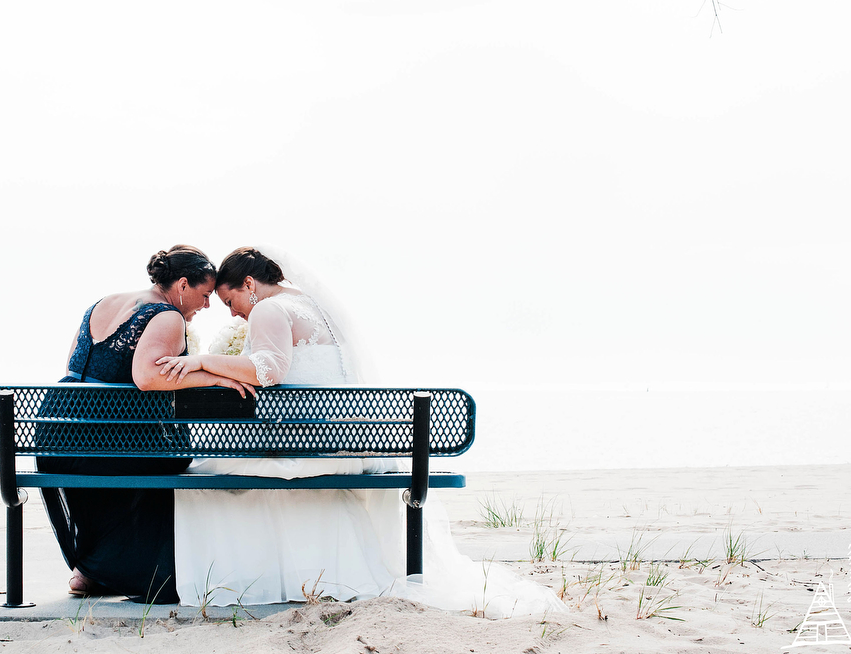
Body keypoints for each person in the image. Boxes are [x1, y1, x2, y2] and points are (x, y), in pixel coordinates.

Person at [157, 247, 564, 616]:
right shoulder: (311, 305)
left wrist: (202, 362)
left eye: (230, 301)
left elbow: (271, 369)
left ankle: (231, 582)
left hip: (305, 446)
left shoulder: (268, 309)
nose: (232, 313)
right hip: (341, 443)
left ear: (249, 284)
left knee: (201, 473)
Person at [38, 244, 253, 605]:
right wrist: (212, 378)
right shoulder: (167, 315)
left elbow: (75, 367)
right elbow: (147, 375)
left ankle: (90, 570)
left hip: (58, 436)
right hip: (104, 444)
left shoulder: (103, 303)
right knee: (171, 460)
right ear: (182, 284)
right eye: (203, 295)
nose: (206, 305)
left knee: (155, 458)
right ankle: (137, 572)